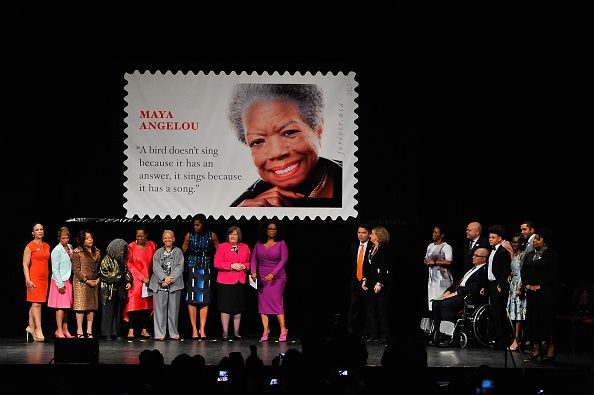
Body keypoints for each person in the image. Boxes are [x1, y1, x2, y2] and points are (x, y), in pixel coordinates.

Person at [228, 83, 342, 207]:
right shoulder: (243, 206)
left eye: (289, 132)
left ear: (318, 131)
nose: (276, 152)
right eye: (258, 141)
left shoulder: (350, 179)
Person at [429, 247, 489, 346]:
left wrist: (455, 293)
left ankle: (448, 335)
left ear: (484, 259)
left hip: (469, 296)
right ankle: (439, 333)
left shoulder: (484, 270)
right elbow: (457, 283)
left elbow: (474, 288)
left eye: (476, 256)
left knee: (446, 304)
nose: (473, 257)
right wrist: (447, 292)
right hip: (458, 293)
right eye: (473, 255)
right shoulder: (471, 269)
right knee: (436, 302)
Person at [521, 228, 560, 361]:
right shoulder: (530, 254)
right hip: (532, 293)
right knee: (534, 320)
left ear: (545, 241)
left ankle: (550, 348)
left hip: (546, 293)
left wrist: (540, 285)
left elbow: (554, 273)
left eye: (539, 239)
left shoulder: (551, 255)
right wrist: (527, 284)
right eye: (535, 239)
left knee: (547, 320)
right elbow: (523, 271)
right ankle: (536, 348)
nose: (535, 241)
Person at [250, 219, 289, 342]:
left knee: (277, 304)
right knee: (263, 306)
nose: (272, 231)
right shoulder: (258, 243)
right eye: (270, 229)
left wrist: (273, 273)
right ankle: (265, 330)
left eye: (274, 229)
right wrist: (253, 272)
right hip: (262, 278)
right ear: (265, 230)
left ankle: (283, 329)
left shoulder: (281, 243)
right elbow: (253, 259)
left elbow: (284, 260)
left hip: (277, 278)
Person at [182, 214, 220, 340]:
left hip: (206, 266)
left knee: (204, 298)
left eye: (197, 224)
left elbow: (220, 251)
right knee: (192, 298)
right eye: (194, 225)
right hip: (192, 266)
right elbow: (182, 252)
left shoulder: (212, 235)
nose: (195, 227)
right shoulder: (189, 235)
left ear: (203, 224)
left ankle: (202, 328)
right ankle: (194, 329)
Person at [214, 226, 250, 340]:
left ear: (239, 236)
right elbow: (217, 263)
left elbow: (249, 262)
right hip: (225, 281)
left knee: (237, 308)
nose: (232, 236)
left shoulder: (245, 247)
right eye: (230, 234)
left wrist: (245, 266)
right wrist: (231, 266)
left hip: (239, 281)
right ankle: (225, 333)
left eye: (235, 234)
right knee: (225, 308)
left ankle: (236, 333)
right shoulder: (222, 247)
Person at [149, 230, 184, 340]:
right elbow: (156, 267)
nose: (167, 240)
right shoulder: (158, 252)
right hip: (160, 284)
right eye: (165, 238)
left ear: (173, 239)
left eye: (170, 238)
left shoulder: (178, 251)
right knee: (159, 310)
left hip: (174, 284)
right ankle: (160, 334)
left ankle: (173, 333)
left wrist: (170, 278)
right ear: (162, 239)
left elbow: (180, 266)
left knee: (173, 311)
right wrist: (164, 278)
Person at [124, 226, 156, 339]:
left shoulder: (152, 245)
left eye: (141, 236)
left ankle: (144, 329)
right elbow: (129, 265)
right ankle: (131, 330)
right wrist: (142, 278)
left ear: (146, 235)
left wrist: (151, 278)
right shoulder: (131, 246)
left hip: (150, 280)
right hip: (136, 280)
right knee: (133, 305)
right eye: (137, 236)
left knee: (147, 306)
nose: (139, 238)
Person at [362, 226, 392, 343]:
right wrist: (365, 279)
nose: (370, 236)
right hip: (371, 282)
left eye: (372, 234)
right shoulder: (372, 248)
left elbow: (384, 267)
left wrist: (380, 283)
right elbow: (368, 267)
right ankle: (374, 334)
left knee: (382, 309)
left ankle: (385, 335)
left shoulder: (384, 249)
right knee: (371, 309)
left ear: (379, 235)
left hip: (381, 283)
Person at [99, 238, 133, 339]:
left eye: (123, 250)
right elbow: (105, 275)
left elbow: (126, 272)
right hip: (109, 290)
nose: (122, 251)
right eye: (120, 249)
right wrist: (120, 276)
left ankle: (116, 332)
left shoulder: (122, 260)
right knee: (108, 311)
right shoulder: (106, 259)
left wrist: (129, 281)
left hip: (119, 289)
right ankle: (106, 333)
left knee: (118, 312)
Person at [71, 229, 101, 338]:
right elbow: (76, 269)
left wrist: (98, 280)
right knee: (80, 307)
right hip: (81, 283)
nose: (90, 240)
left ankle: (89, 331)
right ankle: (79, 331)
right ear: (82, 240)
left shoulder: (97, 251)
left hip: (94, 282)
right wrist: (86, 280)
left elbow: (99, 269)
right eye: (87, 238)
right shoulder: (77, 252)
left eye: (91, 237)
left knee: (91, 307)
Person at [486, 224, 512, 349]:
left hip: (498, 285)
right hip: (491, 284)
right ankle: (497, 338)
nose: (490, 239)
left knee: (499, 313)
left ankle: (502, 341)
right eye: (489, 237)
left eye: (493, 237)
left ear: (500, 238)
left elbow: (506, 269)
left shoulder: (502, 252)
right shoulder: (492, 251)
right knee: (494, 313)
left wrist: (500, 284)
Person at [23, 222, 50, 342]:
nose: (40, 231)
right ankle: (38, 329)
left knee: (36, 303)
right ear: (33, 233)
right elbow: (25, 264)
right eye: (37, 230)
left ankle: (31, 327)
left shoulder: (47, 245)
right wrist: (28, 280)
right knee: (36, 304)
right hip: (34, 277)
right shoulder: (30, 246)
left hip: (45, 278)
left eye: (41, 229)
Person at [48, 226, 74, 338]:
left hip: (68, 279)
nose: (65, 240)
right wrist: (60, 284)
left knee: (67, 307)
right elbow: (54, 269)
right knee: (60, 307)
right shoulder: (56, 250)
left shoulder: (70, 247)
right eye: (63, 238)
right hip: (59, 281)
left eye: (67, 238)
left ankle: (65, 329)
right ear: (59, 238)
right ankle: (58, 330)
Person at [347, 224, 372, 338]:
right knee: (353, 307)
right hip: (355, 281)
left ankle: (367, 332)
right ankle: (351, 331)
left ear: (369, 234)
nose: (361, 235)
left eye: (363, 233)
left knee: (368, 308)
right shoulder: (354, 246)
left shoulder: (372, 246)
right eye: (359, 232)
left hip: (367, 282)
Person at [424, 225, 453, 312]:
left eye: (436, 232)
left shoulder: (446, 247)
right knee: (432, 304)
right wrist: (426, 261)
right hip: (432, 279)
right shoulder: (430, 246)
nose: (433, 234)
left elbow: (449, 261)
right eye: (433, 232)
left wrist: (435, 262)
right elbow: (426, 258)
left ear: (442, 235)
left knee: (442, 302)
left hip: (443, 279)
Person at [506, 233, 526, 351]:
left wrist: (521, 288)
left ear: (522, 243)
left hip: (519, 285)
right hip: (512, 284)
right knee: (513, 313)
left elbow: (524, 272)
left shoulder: (523, 256)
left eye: (516, 242)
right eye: (512, 242)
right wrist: (510, 274)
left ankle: (517, 340)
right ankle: (518, 339)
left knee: (519, 314)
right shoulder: (513, 255)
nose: (514, 244)